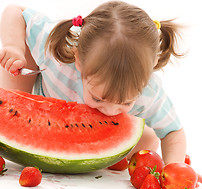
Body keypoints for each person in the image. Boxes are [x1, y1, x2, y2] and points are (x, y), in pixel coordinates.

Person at [0, 1, 186, 164]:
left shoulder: (149, 92)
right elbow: (16, 11)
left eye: (126, 102)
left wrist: (176, 168)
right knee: (14, 63)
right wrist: (12, 47)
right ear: (79, 59)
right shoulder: (57, 52)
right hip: (39, 103)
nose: (110, 111)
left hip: (90, 134)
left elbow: (173, 132)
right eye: (98, 98)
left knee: (147, 142)